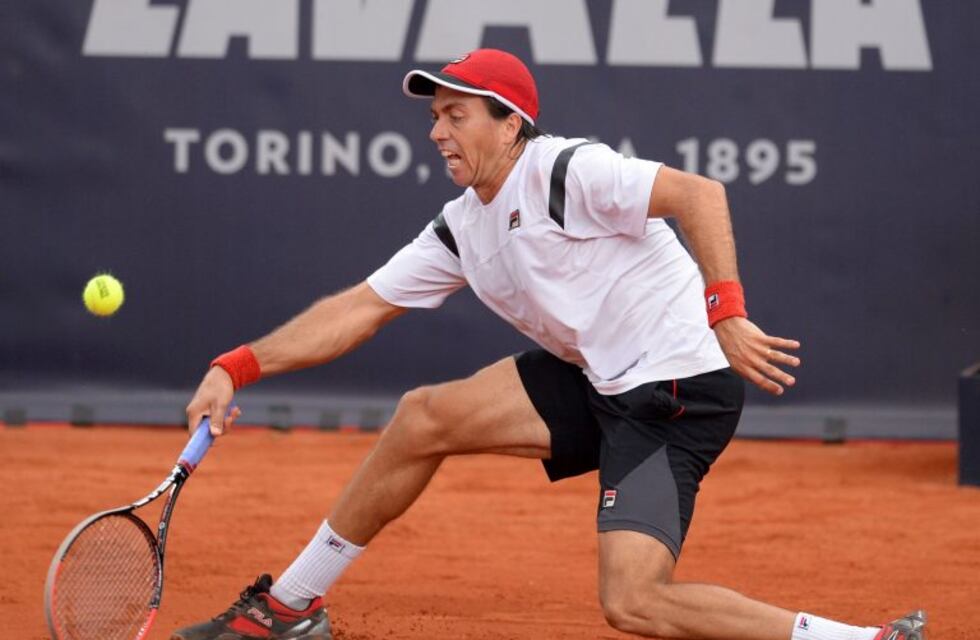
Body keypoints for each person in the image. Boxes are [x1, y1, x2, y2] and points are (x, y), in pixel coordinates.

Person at [171, 49, 926, 640]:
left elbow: (700, 194)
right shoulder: (463, 223)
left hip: (676, 390)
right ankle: (291, 606)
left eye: (456, 115)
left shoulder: (568, 170)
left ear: (509, 126)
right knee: (422, 418)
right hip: (597, 377)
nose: (436, 132)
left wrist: (725, 310)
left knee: (633, 602)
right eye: (435, 116)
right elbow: (360, 309)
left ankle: (861, 639)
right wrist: (236, 367)